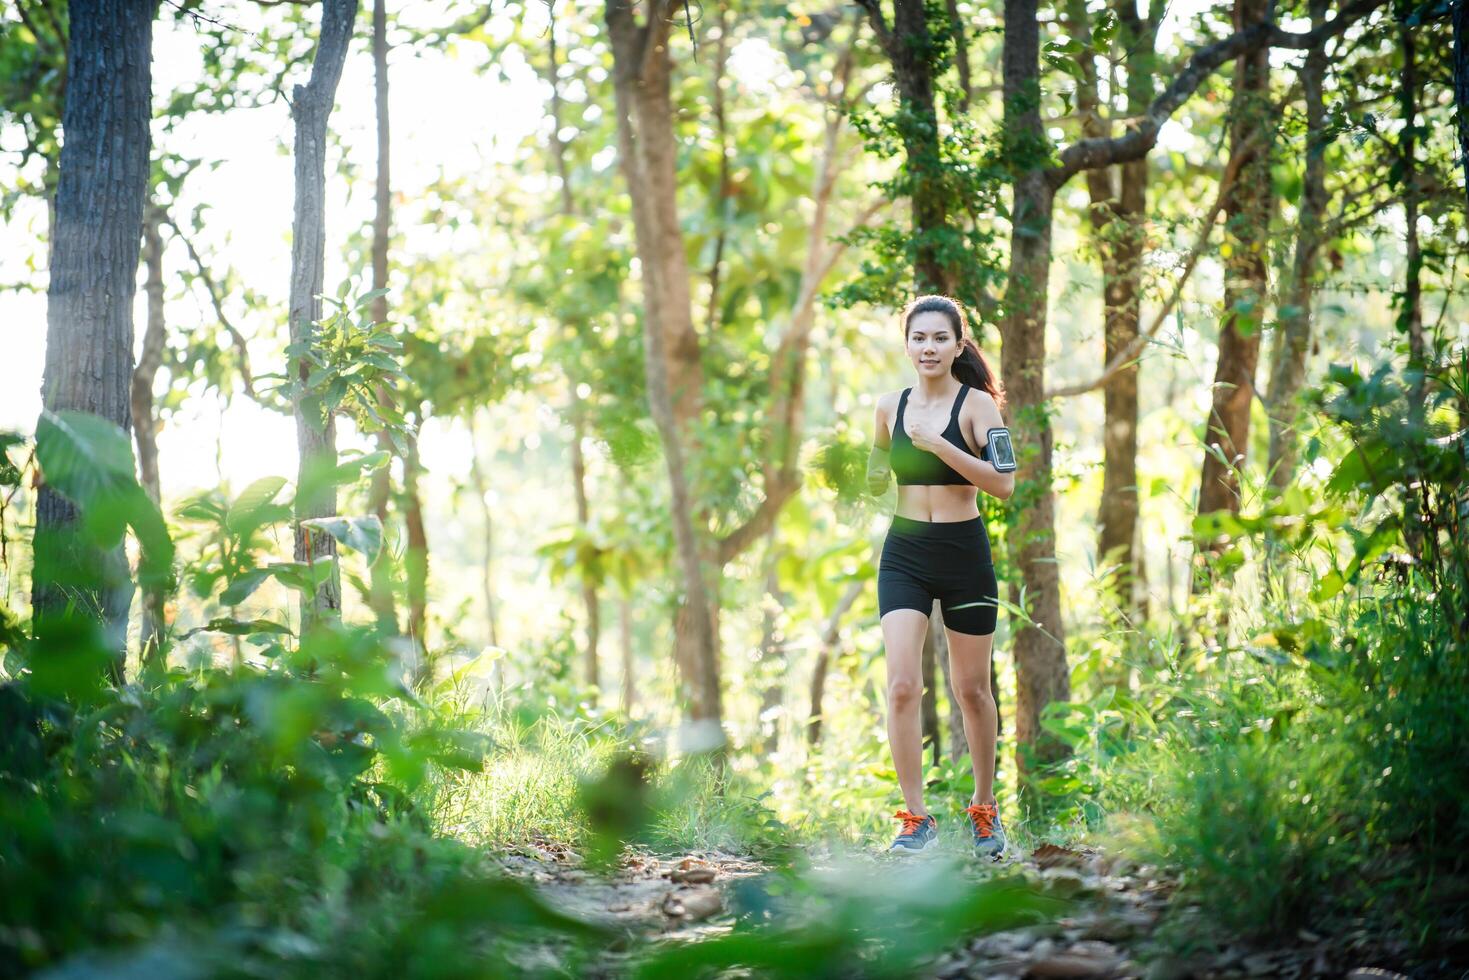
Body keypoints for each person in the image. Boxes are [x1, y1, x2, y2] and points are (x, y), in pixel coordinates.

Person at [867, 294, 1016, 859]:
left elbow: (1003, 485)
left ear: (958, 345)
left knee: (972, 689)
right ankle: (915, 818)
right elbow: (876, 474)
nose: (927, 348)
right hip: (904, 551)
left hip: (963, 553)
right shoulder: (887, 406)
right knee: (903, 686)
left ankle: (984, 809)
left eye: (938, 339)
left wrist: (939, 446)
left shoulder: (979, 408)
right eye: (918, 338)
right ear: (907, 345)